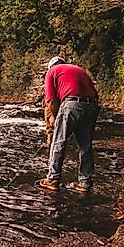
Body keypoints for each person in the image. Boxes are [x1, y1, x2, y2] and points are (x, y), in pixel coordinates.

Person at [38, 57, 99, 194]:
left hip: (71, 104)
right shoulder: (78, 69)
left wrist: (55, 116)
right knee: (85, 145)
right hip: (93, 105)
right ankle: (85, 182)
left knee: (59, 141)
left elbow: (51, 100)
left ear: (50, 67)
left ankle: (53, 179)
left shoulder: (51, 72)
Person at [44, 56, 65, 151]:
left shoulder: (51, 73)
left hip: (59, 103)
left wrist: (53, 116)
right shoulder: (71, 71)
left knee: (52, 131)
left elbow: (50, 99)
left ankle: (51, 152)